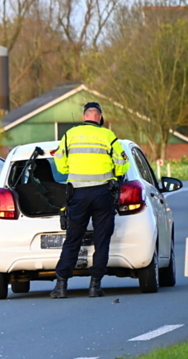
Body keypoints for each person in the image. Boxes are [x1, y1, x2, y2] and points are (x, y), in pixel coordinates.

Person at [50, 101, 129, 299]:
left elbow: (59, 162)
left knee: (73, 239)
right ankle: (95, 285)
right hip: (103, 194)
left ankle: (61, 285)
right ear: (99, 117)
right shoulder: (108, 136)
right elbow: (122, 163)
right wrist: (115, 173)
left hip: (78, 194)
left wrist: (70, 169)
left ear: (84, 117)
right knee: (102, 240)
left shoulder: (70, 135)